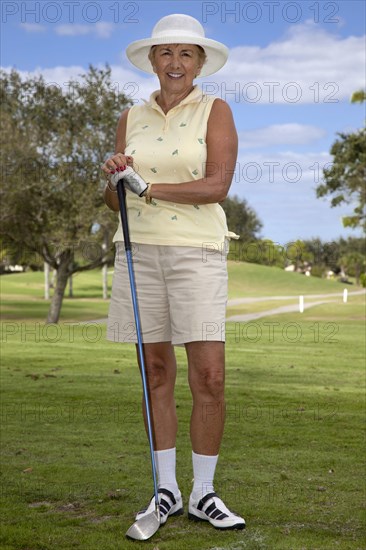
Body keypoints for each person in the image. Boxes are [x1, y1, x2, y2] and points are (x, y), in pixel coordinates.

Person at [101, 13, 245, 531]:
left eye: (186, 53)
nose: (175, 62)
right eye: (166, 53)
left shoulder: (216, 110)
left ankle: (204, 493)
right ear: (153, 61)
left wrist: (148, 189)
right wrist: (116, 179)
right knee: (155, 375)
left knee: (210, 375)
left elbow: (216, 186)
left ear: (200, 62)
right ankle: (165, 492)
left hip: (197, 252)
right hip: (140, 252)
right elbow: (115, 201)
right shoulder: (131, 116)